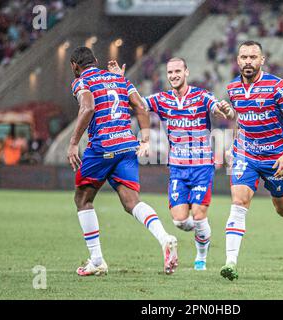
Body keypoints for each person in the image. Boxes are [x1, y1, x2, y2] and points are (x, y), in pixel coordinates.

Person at [108, 57, 234, 271]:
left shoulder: (202, 96)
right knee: (179, 221)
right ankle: (203, 230)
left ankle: (200, 257)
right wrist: (121, 82)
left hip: (202, 166)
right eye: (170, 72)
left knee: (199, 214)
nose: (174, 75)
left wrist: (226, 110)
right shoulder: (162, 99)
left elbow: (218, 108)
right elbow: (137, 103)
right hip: (177, 168)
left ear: (186, 72)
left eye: (178, 71)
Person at [68, 47, 178, 277]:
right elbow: (140, 106)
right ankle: (164, 238)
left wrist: (73, 143)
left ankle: (97, 260)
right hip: (127, 146)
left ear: (74, 66)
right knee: (131, 202)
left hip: (102, 148)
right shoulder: (119, 79)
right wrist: (145, 136)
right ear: (96, 60)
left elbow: (87, 107)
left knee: (83, 199)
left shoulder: (81, 82)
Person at [218, 41, 283, 281]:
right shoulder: (233, 88)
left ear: (262, 60)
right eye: (243, 57)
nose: (248, 61)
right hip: (246, 155)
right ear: (237, 60)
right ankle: (230, 263)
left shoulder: (277, 86)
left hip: (275, 157)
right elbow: (241, 121)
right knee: (239, 201)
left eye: (253, 57)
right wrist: (233, 147)